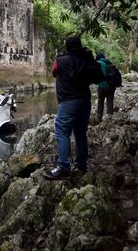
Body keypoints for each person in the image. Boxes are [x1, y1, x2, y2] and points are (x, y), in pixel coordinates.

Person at [44, 36, 103, 180]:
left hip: (69, 100)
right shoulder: (87, 60)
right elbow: (98, 77)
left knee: (61, 131)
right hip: (85, 100)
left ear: (67, 47)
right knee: (80, 132)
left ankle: (63, 167)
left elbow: (54, 72)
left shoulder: (60, 60)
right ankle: (81, 164)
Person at [95, 53, 116, 123]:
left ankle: (99, 118)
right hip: (111, 86)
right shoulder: (110, 63)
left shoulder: (99, 63)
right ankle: (109, 118)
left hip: (102, 86)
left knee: (100, 101)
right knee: (110, 101)